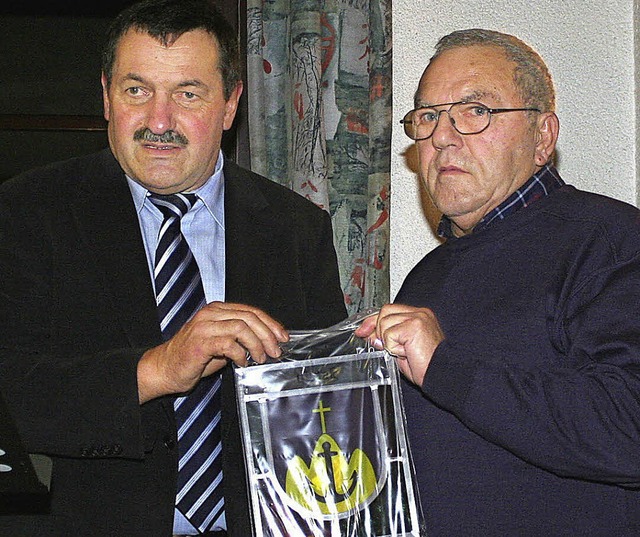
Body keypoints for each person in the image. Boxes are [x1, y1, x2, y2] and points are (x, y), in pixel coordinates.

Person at [0, 0, 346, 535]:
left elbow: (322, 406)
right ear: (107, 98)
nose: (159, 121)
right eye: (136, 90)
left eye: (188, 94)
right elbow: (15, 395)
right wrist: (159, 368)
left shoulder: (296, 228)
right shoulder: (28, 212)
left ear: (230, 106)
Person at [356, 29, 640, 535]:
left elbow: (629, 427)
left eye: (474, 111)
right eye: (427, 117)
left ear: (543, 137)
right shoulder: (428, 274)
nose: (442, 136)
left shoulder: (612, 239)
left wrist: (446, 368)